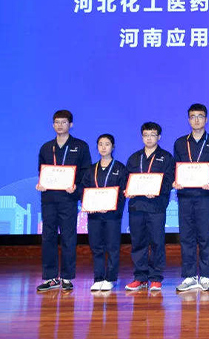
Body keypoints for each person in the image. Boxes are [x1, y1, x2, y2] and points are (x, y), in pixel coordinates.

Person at [36, 110, 92, 292]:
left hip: (68, 199)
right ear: (53, 125)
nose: (60, 125)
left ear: (71, 124)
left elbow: (86, 172)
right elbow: (42, 171)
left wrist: (76, 186)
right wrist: (41, 183)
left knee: (68, 237)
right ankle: (51, 277)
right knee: (48, 237)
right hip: (49, 198)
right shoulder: (46, 147)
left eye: (63, 122)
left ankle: (67, 277)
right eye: (56, 122)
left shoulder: (80, 146)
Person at [173, 103, 209, 292]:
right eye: (193, 116)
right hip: (185, 195)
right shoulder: (180, 142)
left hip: (205, 195)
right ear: (188, 120)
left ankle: (206, 276)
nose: (196, 120)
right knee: (186, 237)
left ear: (206, 119)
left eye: (200, 116)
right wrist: (176, 180)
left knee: (205, 236)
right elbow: (176, 166)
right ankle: (189, 276)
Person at [124, 122, 174, 292]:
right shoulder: (134, 158)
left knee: (157, 242)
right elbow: (127, 179)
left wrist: (157, 191)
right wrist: (128, 190)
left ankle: (155, 278)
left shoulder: (166, 157)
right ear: (142, 137)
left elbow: (169, 181)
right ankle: (140, 277)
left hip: (156, 206)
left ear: (159, 137)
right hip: (137, 206)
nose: (149, 138)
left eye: (153, 135)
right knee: (138, 242)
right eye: (146, 135)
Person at [84, 134, 128, 291]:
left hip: (112, 215)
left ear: (113, 147)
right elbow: (84, 190)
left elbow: (123, 192)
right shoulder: (91, 169)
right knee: (96, 246)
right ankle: (98, 278)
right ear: (97, 147)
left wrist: (111, 207)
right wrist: (90, 205)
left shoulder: (120, 168)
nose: (103, 147)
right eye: (100, 144)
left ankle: (110, 278)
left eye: (107, 144)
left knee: (112, 247)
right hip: (94, 215)